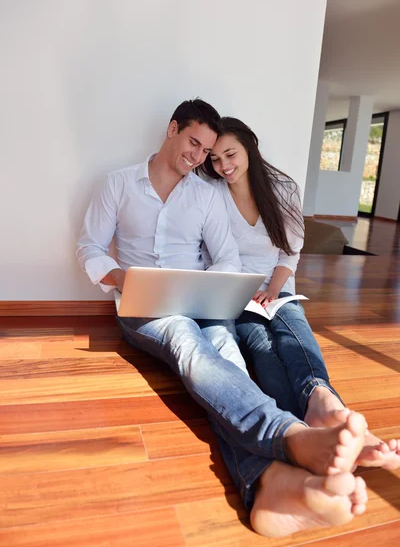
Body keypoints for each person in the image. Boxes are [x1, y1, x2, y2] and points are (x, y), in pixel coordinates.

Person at [77, 100, 369, 539]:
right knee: (188, 345)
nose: (198, 158)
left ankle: (269, 485)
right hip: (144, 308)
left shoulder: (205, 194)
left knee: (229, 357)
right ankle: (288, 433)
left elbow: (227, 257)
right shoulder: (117, 184)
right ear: (173, 128)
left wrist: (205, 287)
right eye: (194, 143)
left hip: (200, 300)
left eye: (207, 151)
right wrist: (123, 277)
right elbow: (89, 248)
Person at [200, 116, 400, 478]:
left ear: (249, 147)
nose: (224, 166)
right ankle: (325, 427)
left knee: (293, 331)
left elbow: (289, 252)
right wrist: (246, 293)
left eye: (230, 154)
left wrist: (272, 290)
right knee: (260, 347)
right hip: (237, 292)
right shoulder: (211, 194)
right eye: (214, 160)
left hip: (277, 287)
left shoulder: (282, 188)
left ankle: (322, 401)